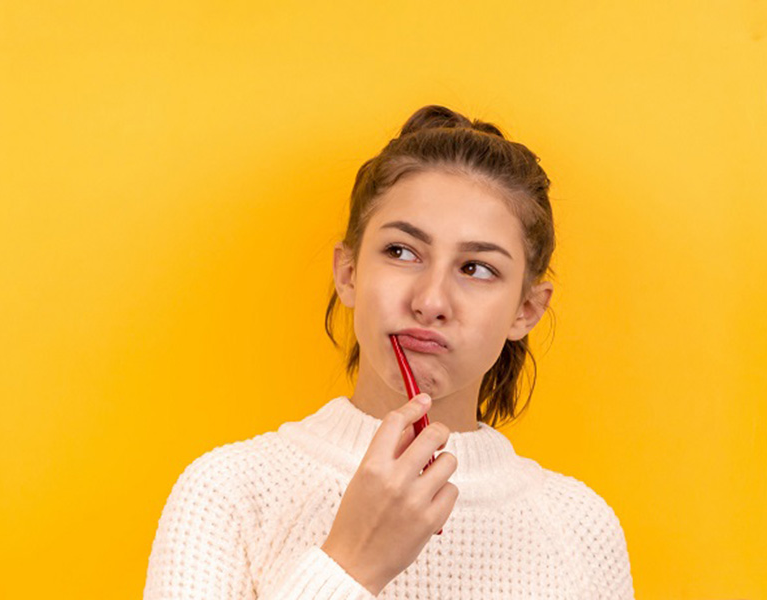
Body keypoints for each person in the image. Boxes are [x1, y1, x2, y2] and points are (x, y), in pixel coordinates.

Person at [143, 105, 635, 599]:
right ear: (349, 273)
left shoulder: (581, 530)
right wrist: (352, 565)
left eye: (477, 268)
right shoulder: (227, 494)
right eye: (401, 252)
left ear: (525, 310)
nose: (430, 301)